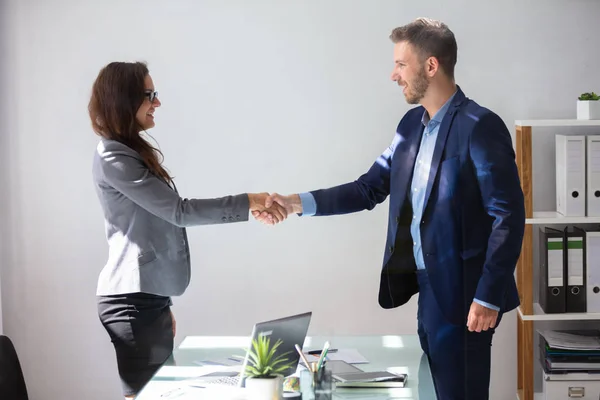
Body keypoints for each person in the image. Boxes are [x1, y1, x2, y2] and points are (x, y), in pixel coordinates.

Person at [254, 18, 525, 400]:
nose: (393, 74)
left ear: (431, 66)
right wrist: (294, 202)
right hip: (428, 288)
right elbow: (368, 188)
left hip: (467, 296)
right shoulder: (411, 125)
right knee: (433, 392)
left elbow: (508, 216)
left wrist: (487, 296)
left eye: (401, 64)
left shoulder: (480, 126)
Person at [88, 61, 285, 399]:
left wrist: (162, 302)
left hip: (147, 299)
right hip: (131, 303)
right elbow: (178, 212)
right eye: (149, 95)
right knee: (148, 396)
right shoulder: (112, 156)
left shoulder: (129, 152)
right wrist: (249, 201)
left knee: (164, 393)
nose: (157, 102)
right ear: (123, 100)